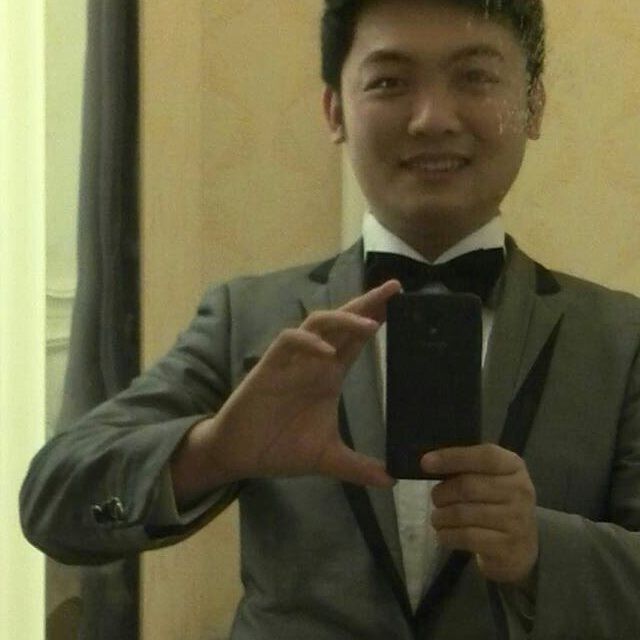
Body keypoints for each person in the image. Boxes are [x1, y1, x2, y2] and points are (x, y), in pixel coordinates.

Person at [20, 1, 640, 638]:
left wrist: (541, 550)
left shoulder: (622, 340)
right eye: (390, 82)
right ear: (334, 110)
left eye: (475, 77)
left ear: (533, 104)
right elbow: (53, 504)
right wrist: (212, 450)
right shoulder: (249, 319)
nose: (432, 118)